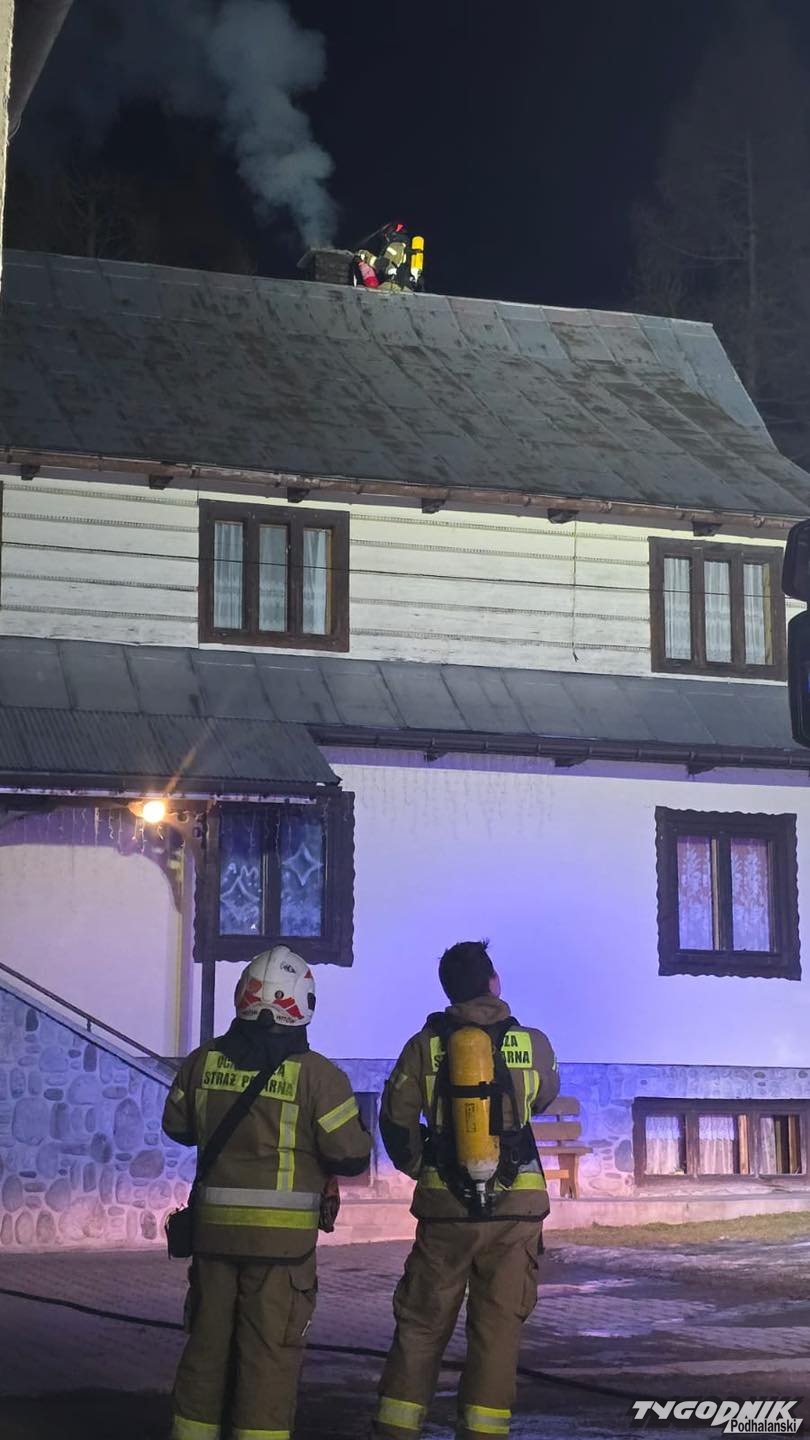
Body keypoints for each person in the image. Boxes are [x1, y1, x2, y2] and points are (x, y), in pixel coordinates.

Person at [163, 945, 371, 1440]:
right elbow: (351, 1155)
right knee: (268, 1361)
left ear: (244, 996)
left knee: (205, 1353)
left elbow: (178, 1127)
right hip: (281, 1251)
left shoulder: (202, 1062)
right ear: (303, 1003)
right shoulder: (319, 1077)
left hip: (213, 1241)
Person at [372, 940, 559, 1440]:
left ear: (449, 991)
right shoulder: (532, 1043)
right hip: (516, 1211)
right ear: (493, 982)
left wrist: (423, 1165)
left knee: (421, 1324)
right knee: (497, 1331)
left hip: (446, 1210)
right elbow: (543, 1097)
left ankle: (395, 1431)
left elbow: (395, 1118)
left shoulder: (423, 1045)